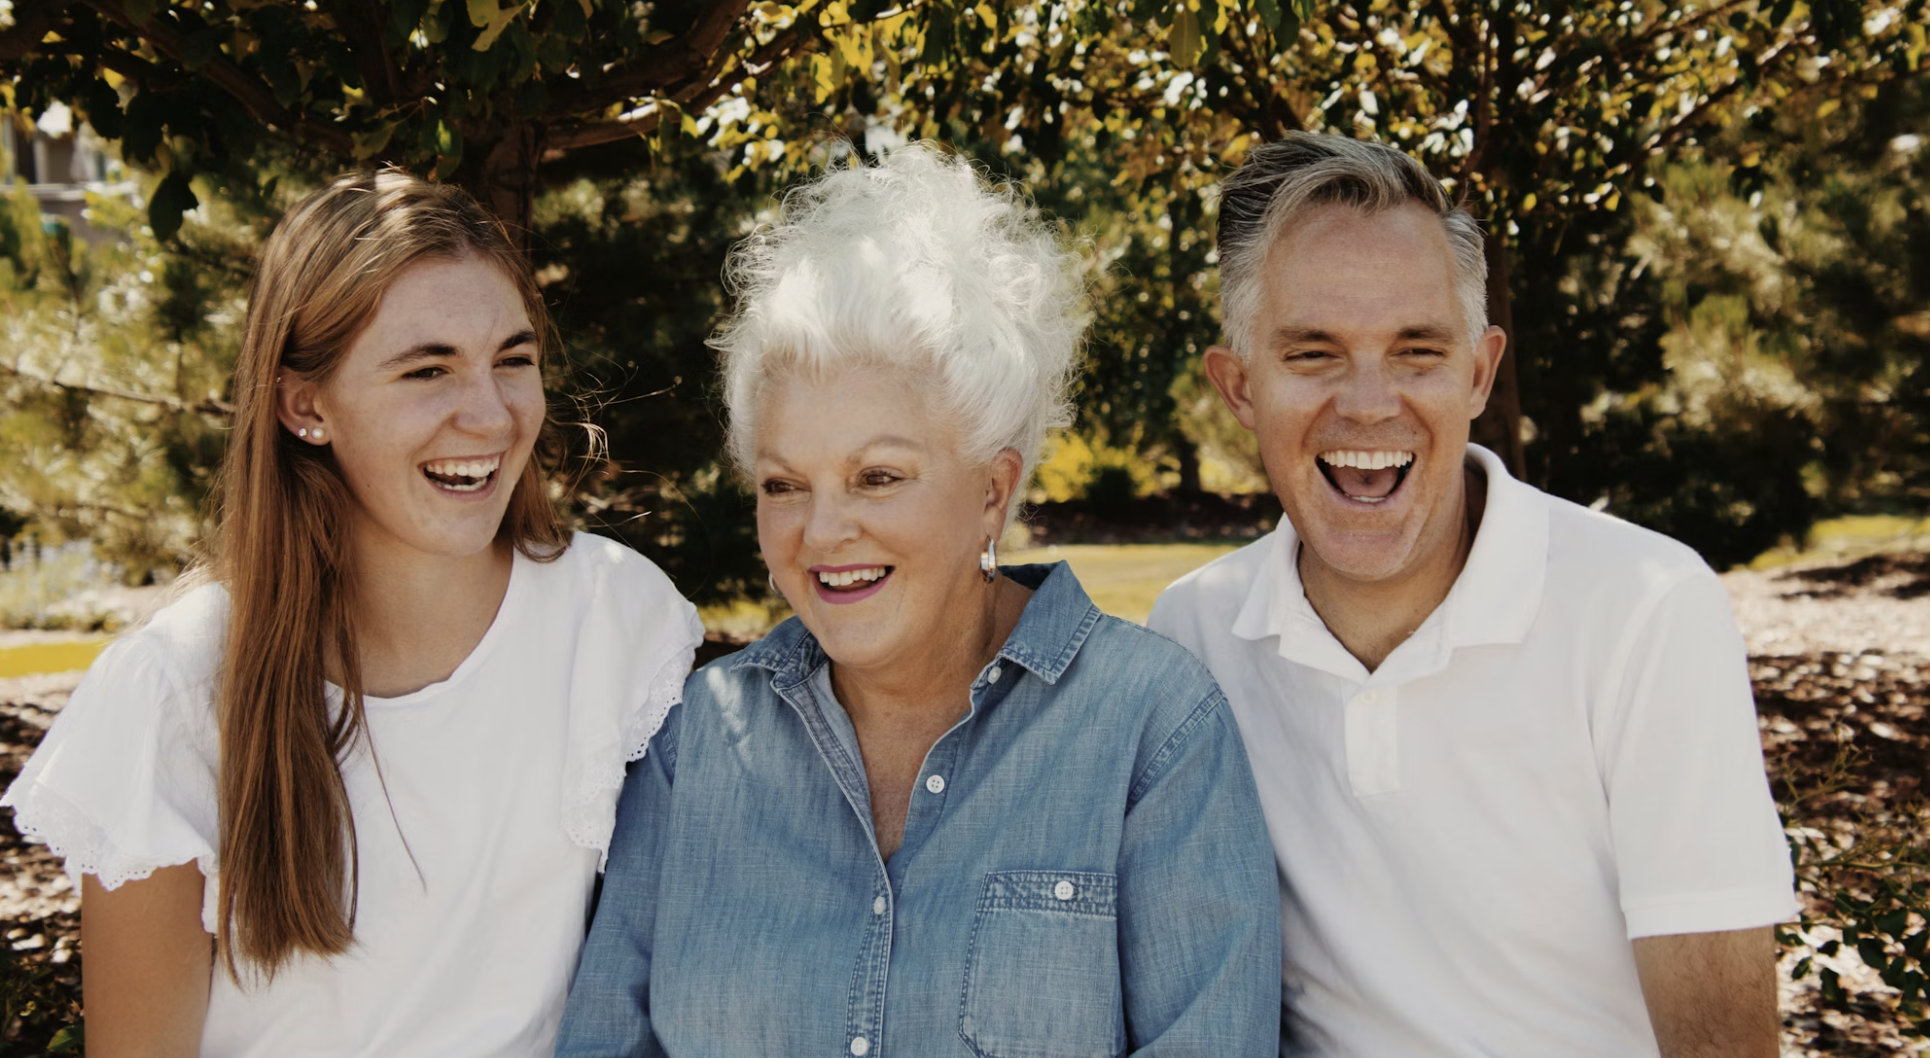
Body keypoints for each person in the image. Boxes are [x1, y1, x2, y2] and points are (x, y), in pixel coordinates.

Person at [554, 144, 1281, 1058]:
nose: (822, 533)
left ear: (993, 489)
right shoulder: (693, 746)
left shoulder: (1153, 734)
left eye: (878, 476)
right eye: (784, 485)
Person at [1, 172, 703, 1057]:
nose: (489, 414)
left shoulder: (615, 618)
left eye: (513, 360)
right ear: (304, 405)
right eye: (428, 368)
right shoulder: (175, 689)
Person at [1147, 132, 1797, 1058]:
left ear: (1480, 373)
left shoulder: (1646, 610)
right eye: (1314, 354)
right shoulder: (1196, 634)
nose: (1370, 404)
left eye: (1417, 351)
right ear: (1239, 385)